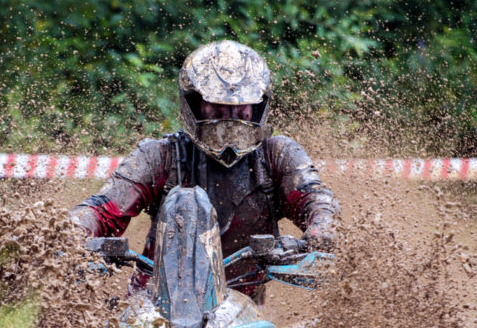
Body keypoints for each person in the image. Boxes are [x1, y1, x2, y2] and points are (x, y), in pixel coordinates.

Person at [69, 40, 340, 301]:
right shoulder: (160, 155)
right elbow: (103, 208)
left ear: (258, 106)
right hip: (152, 304)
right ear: (195, 103)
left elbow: (316, 199)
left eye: (240, 108)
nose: (230, 117)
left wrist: (321, 231)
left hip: (240, 312)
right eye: (217, 106)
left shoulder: (277, 155)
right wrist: (74, 232)